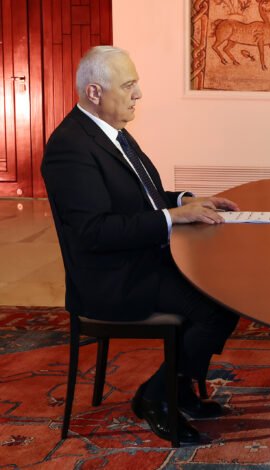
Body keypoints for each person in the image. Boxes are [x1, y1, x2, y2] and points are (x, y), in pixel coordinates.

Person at [41, 46, 241, 445]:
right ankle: (157, 396)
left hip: (139, 261)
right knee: (214, 309)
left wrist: (186, 200)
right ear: (95, 92)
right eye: (128, 85)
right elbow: (94, 231)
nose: (138, 94)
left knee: (227, 290)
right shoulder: (70, 147)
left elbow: (142, 197)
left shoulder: (109, 132)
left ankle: (177, 387)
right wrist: (172, 218)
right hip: (111, 280)